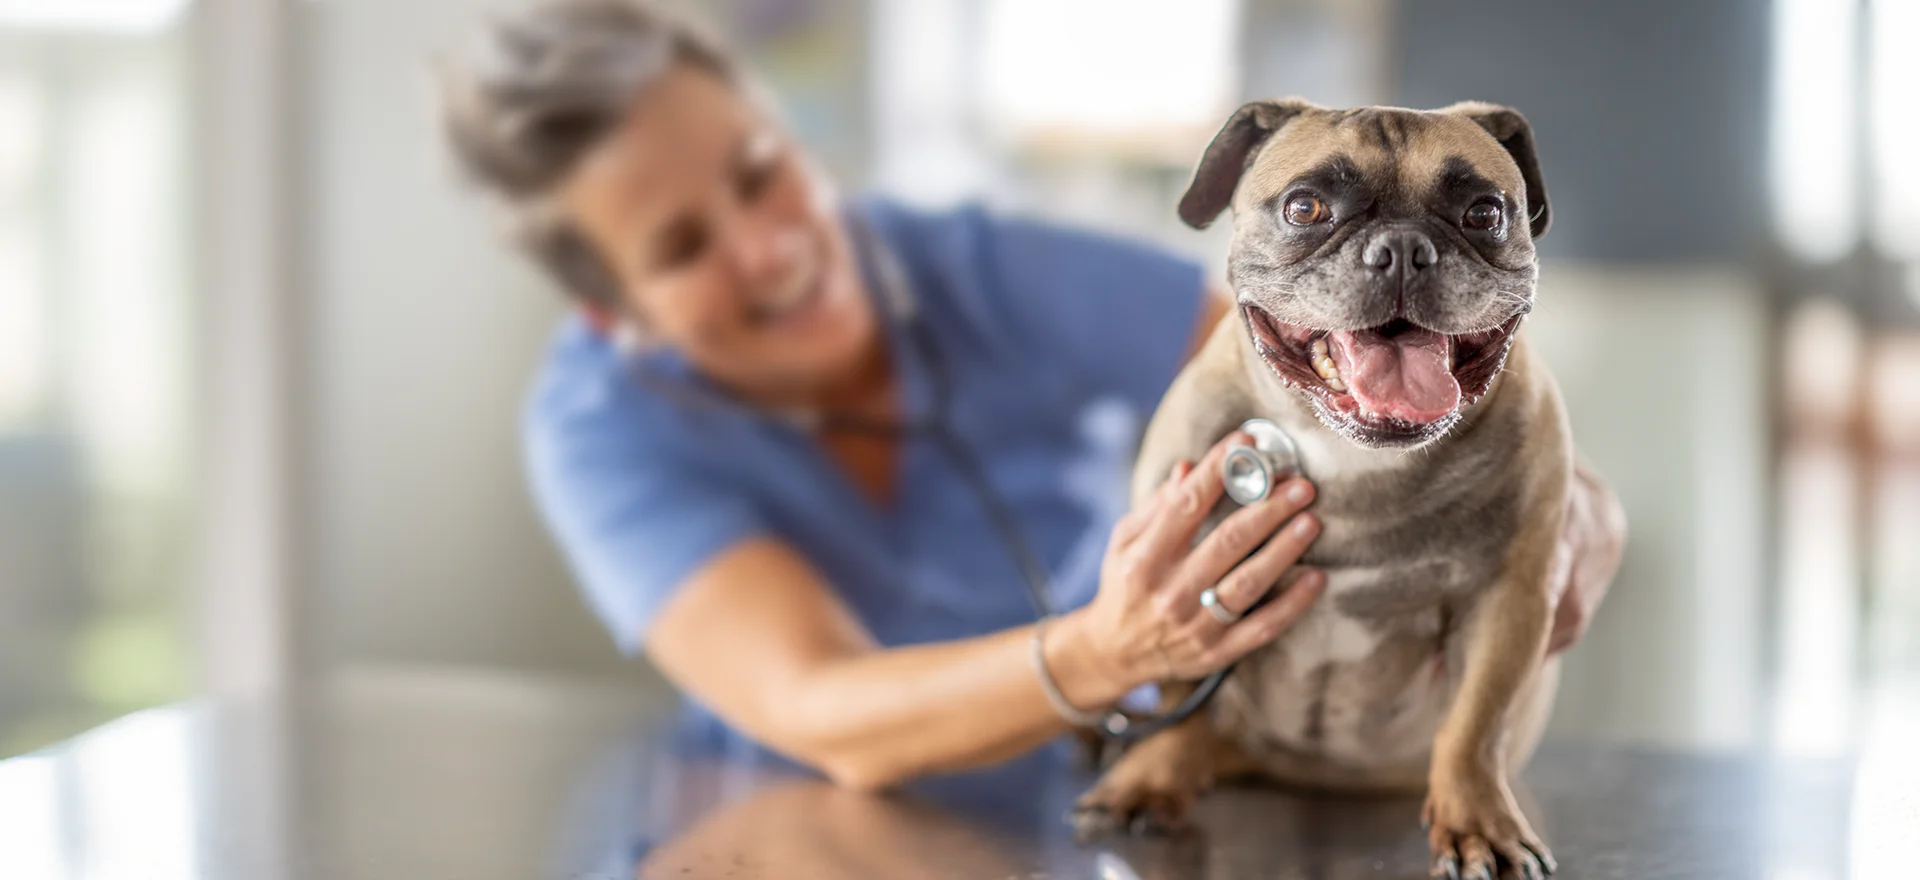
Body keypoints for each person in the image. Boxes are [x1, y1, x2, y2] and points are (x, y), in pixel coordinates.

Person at [437, 0, 1626, 790]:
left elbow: (1298, 355)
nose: (771, 248)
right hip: (806, 819)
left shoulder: (947, 261)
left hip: (1112, 779)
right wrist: (1106, 653)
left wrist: (1553, 490)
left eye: (761, 172)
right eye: (683, 246)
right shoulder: (602, 431)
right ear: (613, 312)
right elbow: (820, 706)